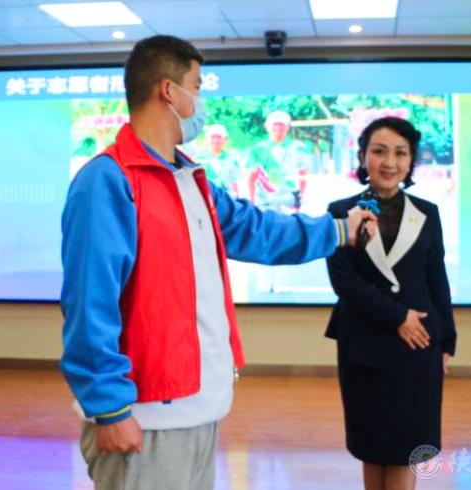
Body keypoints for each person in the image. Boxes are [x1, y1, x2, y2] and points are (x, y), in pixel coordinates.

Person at [60, 35, 377, 490]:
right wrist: (109, 407)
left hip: (199, 406)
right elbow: (90, 303)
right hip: (143, 416)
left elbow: (257, 231)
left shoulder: (191, 179)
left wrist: (339, 231)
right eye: (197, 87)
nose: (202, 102)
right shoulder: (108, 181)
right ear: (169, 92)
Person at [325, 117, 457, 490]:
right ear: (362, 156)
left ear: (411, 161)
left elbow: (437, 278)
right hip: (364, 341)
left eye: (400, 153)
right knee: (373, 444)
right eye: (379, 151)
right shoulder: (340, 212)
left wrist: (447, 339)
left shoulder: (427, 213)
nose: (389, 162)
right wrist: (397, 316)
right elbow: (342, 280)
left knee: (406, 446)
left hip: (417, 343)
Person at [247, 110, 314, 211]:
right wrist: (252, 201)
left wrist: (301, 196)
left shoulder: (298, 147)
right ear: (266, 126)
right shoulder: (258, 149)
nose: (278, 128)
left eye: (281, 125)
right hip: (265, 199)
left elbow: (303, 173)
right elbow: (252, 177)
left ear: (288, 127)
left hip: (289, 197)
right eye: (274, 124)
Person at [194, 123, 243, 196]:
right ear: (207, 138)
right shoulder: (198, 159)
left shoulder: (231, 160)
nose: (216, 140)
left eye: (219, 137)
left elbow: (234, 183)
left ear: (225, 139)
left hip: (225, 197)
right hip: (204, 196)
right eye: (213, 137)